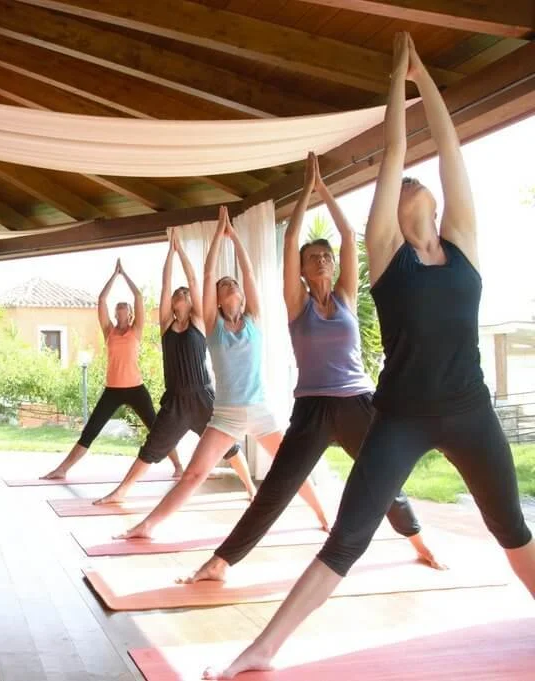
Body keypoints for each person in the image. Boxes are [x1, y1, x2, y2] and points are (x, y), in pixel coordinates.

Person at [203, 34, 535, 679]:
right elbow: (397, 151)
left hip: (470, 411)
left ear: (437, 205)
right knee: (348, 536)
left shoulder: (463, 242)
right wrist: (394, 84)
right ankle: (261, 649)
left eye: (419, 182)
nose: (409, 180)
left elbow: (447, 147)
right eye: (403, 181)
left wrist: (425, 78)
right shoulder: (385, 256)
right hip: (401, 416)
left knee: (511, 529)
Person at [184, 152, 442, 587]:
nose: (321, 260)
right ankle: (221, 562)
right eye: (313, 257)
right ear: (301, 271)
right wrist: (305, 192)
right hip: (312, 409)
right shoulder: (296, 303)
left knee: (383, 478)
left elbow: (345, 232)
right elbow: (290, 243)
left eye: (326, 256)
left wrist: (324, 191)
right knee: (277, 489)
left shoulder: (344, 294)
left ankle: (419, 543)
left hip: (358, 404)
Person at [116, 206, 329, 539]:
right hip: (225, 415)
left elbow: (248, 272)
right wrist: (218, 234)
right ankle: (146, 526)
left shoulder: (255, 319)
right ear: (215, 300)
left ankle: (322, 516)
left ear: (242, 296)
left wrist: (237, 239)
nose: (230, 285)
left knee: (292, 467)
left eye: (234, 284)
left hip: (260, 412)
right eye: (224, 285)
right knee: (193, 475)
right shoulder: (212, 325)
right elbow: (207, 273)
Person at [92, 229, 251, 506]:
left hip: (202, 397)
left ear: (191, 301)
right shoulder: (166, 324)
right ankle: (120, 492)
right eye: (176, 293)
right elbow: (166, 285)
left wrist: (182, 252)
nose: (179, 291)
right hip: (175, 401)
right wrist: (170, 252)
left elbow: (192, 279)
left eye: (184, 292)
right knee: (151, 448)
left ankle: (251, 488)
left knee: (227, 444)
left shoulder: (200, 321)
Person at [42, 259, 183, 480]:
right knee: (91, 430)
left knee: (157, 429)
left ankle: (178, 466)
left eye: (124, 307)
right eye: (118, 308)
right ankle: (62, 470)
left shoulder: (136, 330)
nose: (120, 309)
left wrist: (124, 274)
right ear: (116, 314)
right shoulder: (109, 331)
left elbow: (138, 297)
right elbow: (101, 299)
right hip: (113, 390)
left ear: (129, 314)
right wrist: (113, 276)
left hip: (136, 388)